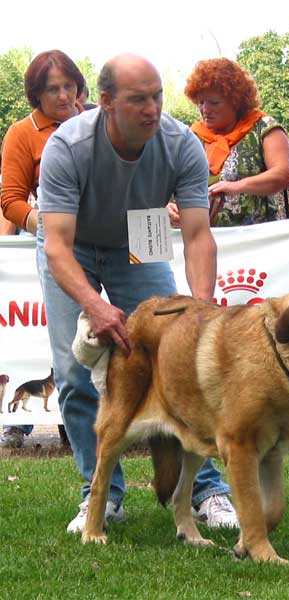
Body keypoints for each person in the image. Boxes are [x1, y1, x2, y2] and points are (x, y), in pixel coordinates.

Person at [36, 53, 238, 532]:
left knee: (179, 358)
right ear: (106, 102)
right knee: (73, 370)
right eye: (137, 99)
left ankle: (208, 490)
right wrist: (95, 306)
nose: (152, 109)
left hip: (139, 236)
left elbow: (196, 235)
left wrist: (202, 310)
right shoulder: (68, 146)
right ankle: (101, 496)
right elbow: (58, 247)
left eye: (157, 96)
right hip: (74, 245)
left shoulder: (180, 144)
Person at [0, 49, 86, 449]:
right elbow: (12, 200)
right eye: (53, 89)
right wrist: (45, 225)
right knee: (68, 346)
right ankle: (76, 432)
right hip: (58, 247)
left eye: (70, 86)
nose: (65, 96)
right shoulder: (21, 134)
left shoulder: (97, 124)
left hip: (111, 243)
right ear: (36, 95)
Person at [169, 57, 289, 227]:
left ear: (236, 101)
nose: (205, 110)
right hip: (202, 241)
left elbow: (283, 175)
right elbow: (165, 184)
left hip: (258, 243)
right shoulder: (191, 137)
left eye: (214, 103)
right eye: (201, 102)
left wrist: (237, 186)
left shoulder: (263, 127)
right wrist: (169, 208)